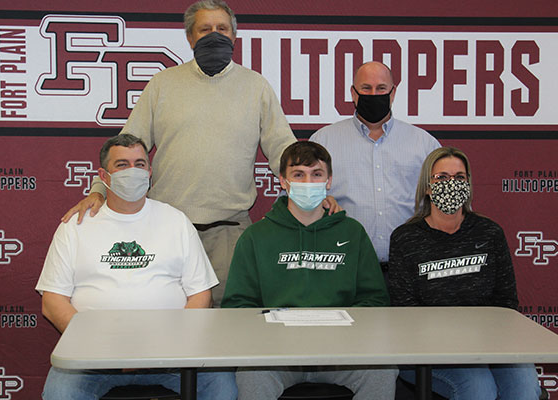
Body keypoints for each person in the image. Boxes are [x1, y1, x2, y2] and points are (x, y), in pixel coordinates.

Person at [61, 0, 297, 306]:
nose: (215, 35)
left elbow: (283, 148)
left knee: (227, 321)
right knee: (167, 314)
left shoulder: (256, 87)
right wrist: (99, 191)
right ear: (190, 37)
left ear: (234, 36)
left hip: (230, 231)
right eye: (205, 29)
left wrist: (310, 191)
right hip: (166, 228)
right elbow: (128, 145)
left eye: (222, 29)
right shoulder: (162, 84)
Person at [36, 134, 237, 400]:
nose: (133, 171)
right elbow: (52, 301)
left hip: (172, 353)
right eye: (122, 165)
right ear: (104, 176)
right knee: (59, 394)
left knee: (222, 388)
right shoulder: (75, 226)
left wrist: (168, 346)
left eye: (140, 164)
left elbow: (201, 294)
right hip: (92, 357)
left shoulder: (175, 221)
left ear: (149, 172)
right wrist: (99, 347)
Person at [221, 141, 397, 399]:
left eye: (316, 174)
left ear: (329, 181)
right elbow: (237, 306)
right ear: (283, 181)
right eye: (298, 175)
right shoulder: (255, 237)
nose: (308, 182)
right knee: (252, 373)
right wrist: (276, 328)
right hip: (276, 355)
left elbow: (375, 300)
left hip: (343, 353)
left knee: (382, 370)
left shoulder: (352, 233)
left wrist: (337, 326)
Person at [387, 146, 541, 400]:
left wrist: (485, 341)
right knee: (479, 390)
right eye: (442, 178)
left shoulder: (489, 232)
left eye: (459, 178)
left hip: (491, 345)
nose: (452, 184)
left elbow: (506, 303)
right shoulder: (406, 238)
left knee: (524, 389)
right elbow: (405, 312)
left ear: (468, 185)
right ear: (427, 186)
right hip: (428, 352)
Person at [311, 61, 440, 267]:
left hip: (409, 267)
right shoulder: (323, 141)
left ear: (393, 92)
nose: (373, 94)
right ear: (353, 94)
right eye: (366, 88)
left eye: (381, 88)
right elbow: (303, 201)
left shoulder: (424, 144)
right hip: (346, 266)